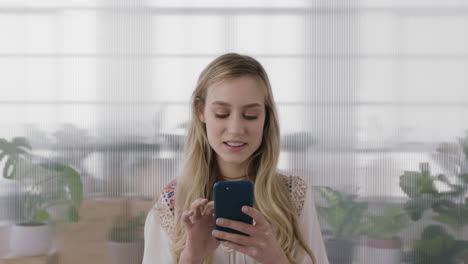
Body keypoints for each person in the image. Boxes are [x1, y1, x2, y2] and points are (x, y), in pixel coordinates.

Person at [142, 53, 329, 264]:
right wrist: (190, 258)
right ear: (200, 111)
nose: (236, 129)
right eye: (222, 113)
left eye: (251, 115)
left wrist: (277, 260)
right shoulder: (172, 203)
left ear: (266, 117)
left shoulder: (293, 196)